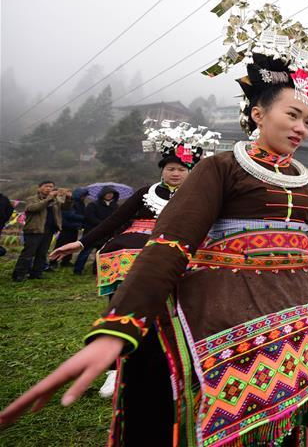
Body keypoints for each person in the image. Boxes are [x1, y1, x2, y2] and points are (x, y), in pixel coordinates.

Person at [1, 0, 308, 446]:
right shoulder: (221, 168)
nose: (301, 128)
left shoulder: (303, 180)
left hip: (301, 297)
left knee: (292, 412)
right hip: (230, 300)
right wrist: (118, 327)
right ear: (257, 113)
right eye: (292, 114)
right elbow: (172, 243)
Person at [50, 119, 219, 398]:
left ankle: (177, 364)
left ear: (191, 172)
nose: (175, 173)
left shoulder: (201, 197)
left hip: (178, 255)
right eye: (170, 168)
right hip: (131, 254)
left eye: (181, 169)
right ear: (163, 170)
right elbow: (115, 219)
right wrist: (81, 243)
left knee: (177, 312)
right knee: (123, 306)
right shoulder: (145, 194)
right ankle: (116, 370)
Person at [12, 181, 70, 282]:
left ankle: (37, 273)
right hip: (34, 229)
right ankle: (19, 274)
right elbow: (33, 208)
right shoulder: (32, 199)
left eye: (51, 187)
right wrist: (48, 199)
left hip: (49, 230)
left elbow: (66, 208)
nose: (49, 188)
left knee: (42, 253)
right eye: (46, 186)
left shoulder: (55, 201)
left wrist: (68, 198)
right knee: (28, 253)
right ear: (39, 188)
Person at [73, 187, 120, 275]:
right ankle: (77, 270)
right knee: (85, 252)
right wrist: (103, 225)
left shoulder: (115, 206)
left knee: (100, 253)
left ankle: (96, 270)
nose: (110, 195)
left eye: (112, 193)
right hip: (92, 232)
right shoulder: (93, 204)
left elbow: (116, 217)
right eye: (108, 193)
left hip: (106, 233)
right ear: (103, 194)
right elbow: (89, 217)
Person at [55, 187, 89, 267]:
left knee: (71, 245)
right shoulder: (71, 203)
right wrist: (84, 217)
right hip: (67, 226)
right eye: (83, 195)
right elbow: (69, 214)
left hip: (74, 227)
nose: (84, 197)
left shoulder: (81, 203)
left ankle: (66, 261)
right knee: (61, 244)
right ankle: (54, 261)